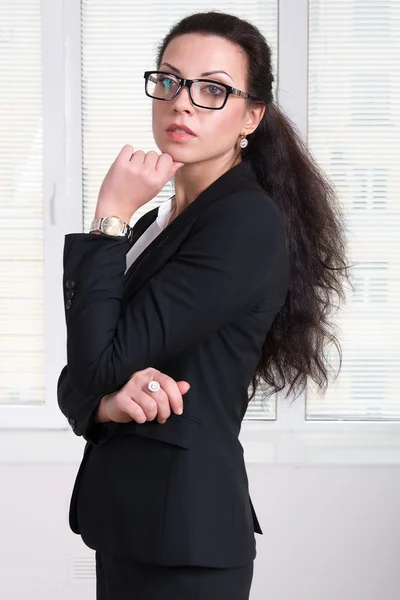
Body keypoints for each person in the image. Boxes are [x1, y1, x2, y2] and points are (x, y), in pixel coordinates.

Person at [57, 10, 350, 600]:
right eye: (169, 80)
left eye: (212, 90)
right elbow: (79, 381)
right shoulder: (155, 222)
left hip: (184, 541)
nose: (182, 103)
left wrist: (106, 217)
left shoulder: (243, 223)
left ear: (251, 116)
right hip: (132, 528)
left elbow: (94, 363)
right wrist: (110, 406)